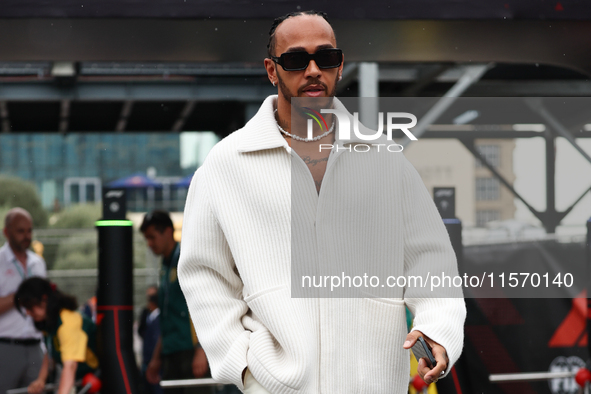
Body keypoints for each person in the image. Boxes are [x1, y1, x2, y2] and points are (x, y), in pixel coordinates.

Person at [178, 10, 467, 394]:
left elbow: (431, 261)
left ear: (340, 65)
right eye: (296, 60)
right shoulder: (226, 165)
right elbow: (204, 275)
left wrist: (438, 331)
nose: (313, 70)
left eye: (325, 58)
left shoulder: (384, 159)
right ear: (271, 69)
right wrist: (243, 365)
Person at [141, 210, 212, 394]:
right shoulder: (165, 267)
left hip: (191, 351)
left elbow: (204, 304)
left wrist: (202, 350)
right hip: (171, 351)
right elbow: (167, 316)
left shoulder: (186, 258)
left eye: (152, 237)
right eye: (146, 239)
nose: (149, 244)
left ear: (167, 231)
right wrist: (156, 358)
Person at [14, 277, 99, 394]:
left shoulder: (67, 322)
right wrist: (41, 379)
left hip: (97, 376)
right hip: (83, 379)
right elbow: (50, 351)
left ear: (44, 299)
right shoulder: (50, 322)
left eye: (29, 307)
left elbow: (70, 366)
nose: (27, 313)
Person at [0, 208, 48, 394]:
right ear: (6, 232)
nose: (26, 236)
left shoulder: (38, 262)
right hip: (6, 346)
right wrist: (20, 296)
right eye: (21, 231)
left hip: (36, 346)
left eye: (29, 230)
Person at [138, 285, 163, 394]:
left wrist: (155, 359)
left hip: (155, 361)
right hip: (147, 359)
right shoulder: (146, 315)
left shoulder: (160, 318)